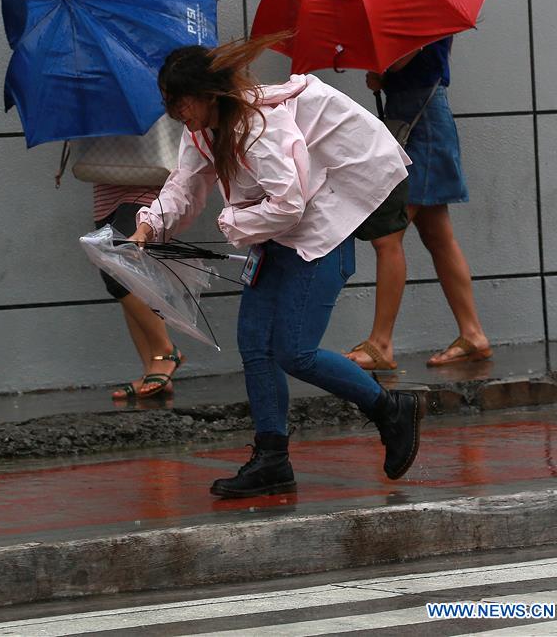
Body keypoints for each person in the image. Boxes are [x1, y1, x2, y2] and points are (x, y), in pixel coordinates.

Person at [129, 34, 424, 498]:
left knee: (295, 352)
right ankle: (272, 459)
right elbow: (184, 184)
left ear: (207, 94)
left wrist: (233, 221)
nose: (178, 113)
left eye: (182, 101)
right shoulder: (202, 132)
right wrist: (148, 227)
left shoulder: (259, 126)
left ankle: (389, 408)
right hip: (273, 242)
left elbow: (289, 203)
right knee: (255, 346)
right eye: (171, 104)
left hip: (318, 239)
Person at [345, 37, 492, 370]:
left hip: (421, 122)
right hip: (417, 117)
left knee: (387, 236)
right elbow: (400, 67)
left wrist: (385, 69)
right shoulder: (414, 7)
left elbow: (399, 59)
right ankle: (473, 334)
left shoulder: (418, 11)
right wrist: (383, 78)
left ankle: (381, 343)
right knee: (438, 236)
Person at [94, 183, 184, 399]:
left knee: (118, 268)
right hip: (106, 182)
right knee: (129, 279)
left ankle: (165, 351)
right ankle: (152, 371)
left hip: (145, 182)